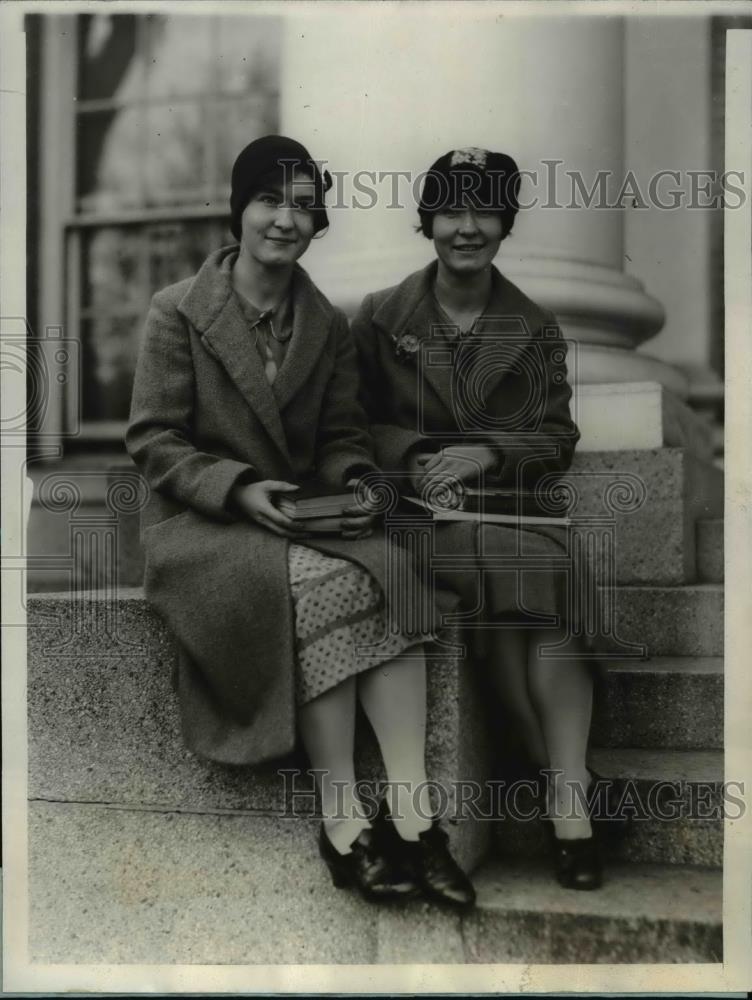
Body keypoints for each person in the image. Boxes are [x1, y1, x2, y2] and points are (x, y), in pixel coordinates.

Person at [126, 135, 473, 909]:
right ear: (239, 211)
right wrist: (239, 488)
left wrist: (352, 483)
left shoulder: (327, 323)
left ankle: (415, 822)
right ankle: (344, 822)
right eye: (270, 202)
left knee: (402, 579)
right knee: (327, 586)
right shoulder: (176, 311)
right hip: (205, 527)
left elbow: (344, 436)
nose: (286, 220)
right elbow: (154, 439)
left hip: (301, 515)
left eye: (305, 208)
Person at [352, 147, 604, 890]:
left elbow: (557, 440)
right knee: (510, 619)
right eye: (451, 211)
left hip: (511, 514)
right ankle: (573, 793)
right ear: (427, 221)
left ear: (506, 221)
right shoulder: (380, 316)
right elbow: (351, 426)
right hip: (421, 520)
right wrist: (426, 451)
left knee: (538, 603)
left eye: (484, 209)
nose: (468, 228)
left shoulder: (532, 324)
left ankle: (567, 799)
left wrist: (488, 452)